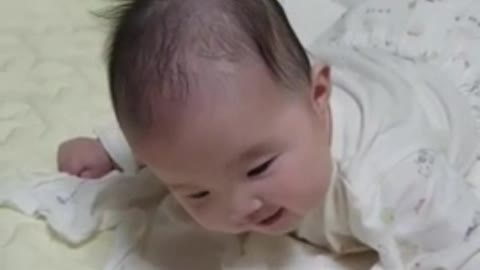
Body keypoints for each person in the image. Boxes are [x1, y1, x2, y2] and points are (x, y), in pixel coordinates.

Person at [57, 0, 480, 268]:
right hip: (337, 72)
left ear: (318, 96)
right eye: (197, 194)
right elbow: (176, 141)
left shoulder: (393, 176)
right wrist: (110, 149)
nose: (240, 207)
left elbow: (461, 248)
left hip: (440, 73)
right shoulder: (227, 135)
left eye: (258, 168)